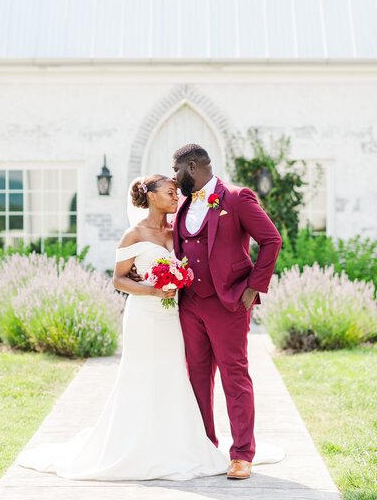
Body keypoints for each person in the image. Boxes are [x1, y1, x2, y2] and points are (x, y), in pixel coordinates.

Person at [17, 174, 228, 481]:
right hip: (143, 315)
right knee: (140, 376)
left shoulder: (178, 232)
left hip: (171, 318)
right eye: (169, 193)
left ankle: (174, 444)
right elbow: (119, 279)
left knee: (171, 375)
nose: (175, 197)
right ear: (151, 197)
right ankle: (133, 445)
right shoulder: (133, 234)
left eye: (175, 193)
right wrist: (154, 291)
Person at [170, 143, 282, 479]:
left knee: (235, 375)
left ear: (191, 166)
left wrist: (252, 288)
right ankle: (206, 445)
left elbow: (271, 240)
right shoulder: (182, 206)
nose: (174, 179)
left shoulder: (236, 197)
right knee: (198, 377)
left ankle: (242, 454)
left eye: (176, 171)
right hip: (190, 304)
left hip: (229, 302)